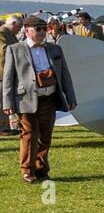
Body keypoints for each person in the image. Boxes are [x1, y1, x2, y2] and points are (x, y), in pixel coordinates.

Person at [3, 15, 77, 183]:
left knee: (45, 135)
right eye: (39, 29)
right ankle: (27, 170)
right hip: (26, 99)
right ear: (27, 30)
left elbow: (65, 74)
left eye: (45, 28)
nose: (43, 32)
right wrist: (8, 103)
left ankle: (41, 169)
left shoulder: (55, 49)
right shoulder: (15, 49)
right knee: (29, 134)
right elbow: (8, 78)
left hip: (49, 98)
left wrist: (71, 97)